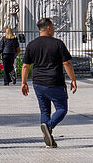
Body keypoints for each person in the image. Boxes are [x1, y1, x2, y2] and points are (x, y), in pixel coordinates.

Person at [21, 17, 77, 148]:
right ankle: (49, 126)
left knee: (44, 111)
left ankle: (48, 138)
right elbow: (67, 63)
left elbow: (25, 66)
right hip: (54, 82)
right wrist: (73, 79)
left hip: (38, 83)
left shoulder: (32, 44)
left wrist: (23, 83)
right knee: (62, 109)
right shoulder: (58, 44)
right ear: (48, 28)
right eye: (52, 26)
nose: (54, 29)